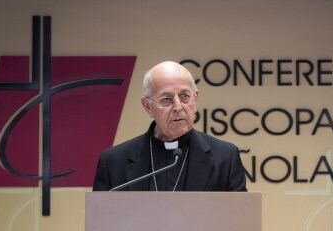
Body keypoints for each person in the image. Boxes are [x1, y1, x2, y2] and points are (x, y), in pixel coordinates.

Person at [92, 61, 247, 192]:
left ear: (196, 98)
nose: (178, 107)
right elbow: (99, 224)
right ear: (147, 106)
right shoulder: (113, 163)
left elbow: (240, 222)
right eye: (167, 99)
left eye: (185, 96)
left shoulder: (225, 159)